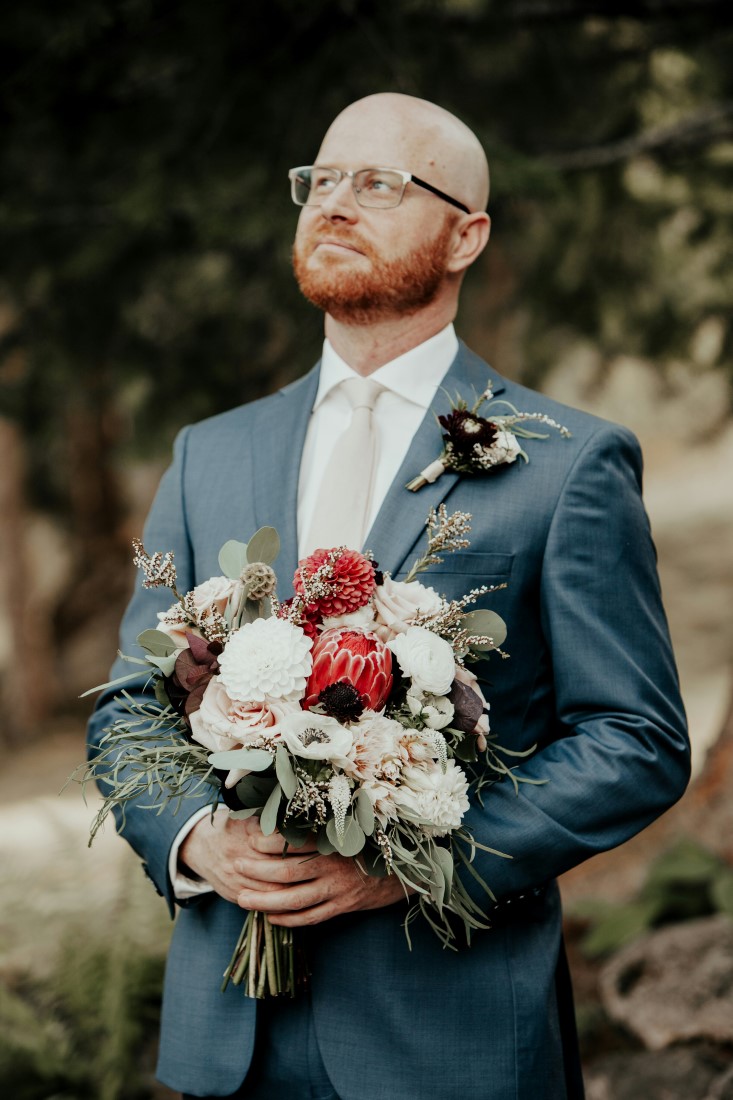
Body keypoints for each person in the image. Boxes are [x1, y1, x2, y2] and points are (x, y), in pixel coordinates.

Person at [88, 93, 690, 1100]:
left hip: (451, 1037)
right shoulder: (208, 454)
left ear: (466, 234)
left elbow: (635, 736)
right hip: (229, 1043)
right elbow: (126, 706)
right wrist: (202, 840)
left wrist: (411, 860)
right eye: (319, 180)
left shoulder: (565, 464)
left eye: (378, 183)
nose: (334, 203)